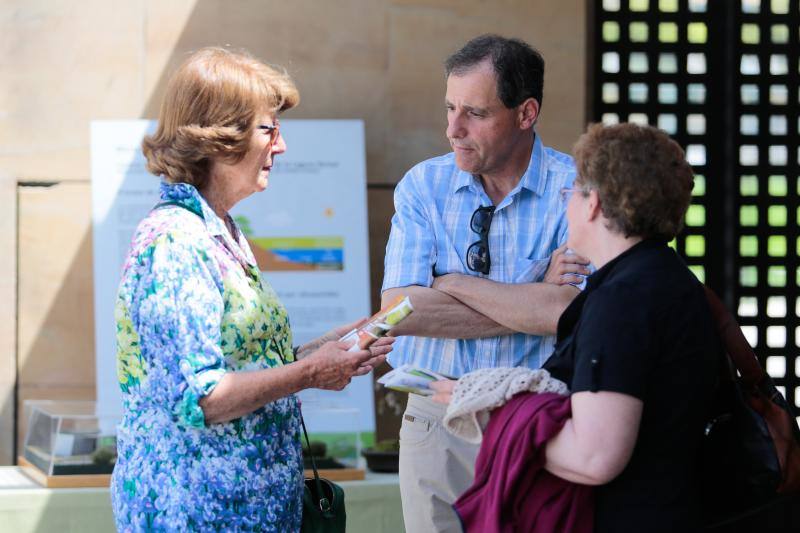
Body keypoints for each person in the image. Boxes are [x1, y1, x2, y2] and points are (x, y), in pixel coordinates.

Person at [110, 47, 392, 532]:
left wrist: (326, 350)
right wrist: (308, 373)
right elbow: (202, 397)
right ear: (221, 137)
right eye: (269, 129)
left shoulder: (217, 228)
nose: (280, 147)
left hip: (243, 511)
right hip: (199, 514)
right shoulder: (175, 241)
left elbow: (238, 362)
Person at [433, 122, 721, 532]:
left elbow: (594, 456)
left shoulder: (624, 300)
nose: (567, 202)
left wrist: (488, 411)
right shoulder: (666, 277)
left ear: (593, 204)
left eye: (572, 192)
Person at [381, 34, 588, 532]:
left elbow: (565, 314)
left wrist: (449, 281)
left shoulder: (578, 190)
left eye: (475, 112)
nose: (453, 129)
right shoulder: (422, 187)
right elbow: (401, 312)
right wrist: (533, 287)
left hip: (535, 421)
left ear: (526, 112)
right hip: (435, 421)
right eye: (450, 108)